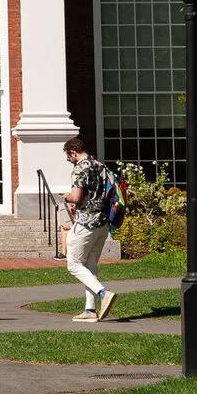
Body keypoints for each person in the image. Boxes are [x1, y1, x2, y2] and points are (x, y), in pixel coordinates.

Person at [61, 137, 117, 322]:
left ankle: (103, 293)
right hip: (103, 223)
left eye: (68, 157)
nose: (69, 160)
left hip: (87, 223)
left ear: (73, 152)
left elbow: (76, 197)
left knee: (74, 264)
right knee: (90, 266)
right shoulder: (100, 165)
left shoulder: (80, 168)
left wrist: (67, 197)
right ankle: (90, 310)